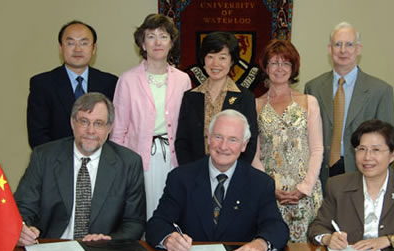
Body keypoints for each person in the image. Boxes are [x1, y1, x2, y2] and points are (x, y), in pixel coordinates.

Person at [147, 110, 289, 251]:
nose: (223, 146)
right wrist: (169, 238)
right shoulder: (181, 178)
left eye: (233, 140)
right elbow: (157, 224)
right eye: (218, 137)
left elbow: (277, 227)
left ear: (244, 145)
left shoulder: (261, 183)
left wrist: (261, 244)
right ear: (208, 138)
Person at [16, 92, 146, 246]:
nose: (90, 131)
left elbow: (135, 223)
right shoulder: (44, 157)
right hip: (50, 247)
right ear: (72, 123)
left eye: (98, 123)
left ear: (109, 127)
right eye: (84, 121)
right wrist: (23, 229)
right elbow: (23, 207)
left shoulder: (129, 163)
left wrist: (110, 240)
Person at [110, 14, 191, 220]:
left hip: (173, 158)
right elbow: (118, 129)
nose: (157, 42)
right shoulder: (127, 79)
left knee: (173, 210)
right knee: (141, 212)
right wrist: (118, 165)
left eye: (163, 36)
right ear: (142, 44)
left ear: (171, 43)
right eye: (151, 36)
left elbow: (187, 124)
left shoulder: (183, 80)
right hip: (139, 158)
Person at [304, 22, 394, 191]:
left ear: (358, 49)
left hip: (362, 172)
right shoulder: (313, 87)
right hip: (322, 172)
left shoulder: (380, 91)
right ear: (330, 49)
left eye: (349, 44)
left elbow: (387, 143)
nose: (343, 50)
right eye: (338, 44)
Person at [308, 119, 394, 251]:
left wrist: (390, 239)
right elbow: (317, 227)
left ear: (392, 155)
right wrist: (328, 238)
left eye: (376, 150)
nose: (367, 157)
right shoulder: (338, 185)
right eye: (362, 149)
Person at [252, 40, 323, 242]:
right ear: (266, 67)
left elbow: (317, 149)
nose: (280, 69)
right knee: (271, 248)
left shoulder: (309, 102)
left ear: (293, 68)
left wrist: (304, 187)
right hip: (270, 191)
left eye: (285, 63)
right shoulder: (255, 105)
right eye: (274, 63)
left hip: (304, 190)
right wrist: (269, 188)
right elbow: (254, 154)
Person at [27, 20, 118, 149]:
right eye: (70, 43)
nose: (77, 49)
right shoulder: (42, 84)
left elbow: (115, 130)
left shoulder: (110, 82)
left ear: (93, 49)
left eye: (84, 43)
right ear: (60, 47)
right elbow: (38, 135)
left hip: (101, 161)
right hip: (57, 163)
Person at [175, 31, 258, 165]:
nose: (215, 64)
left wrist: (234, 174)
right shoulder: (190, 96)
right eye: (210, 57)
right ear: (203, 59)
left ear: (232, 61)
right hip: (195, 174)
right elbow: (182, 141)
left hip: (232, 175)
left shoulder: (245, 97)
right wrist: (190, 173)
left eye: (222, 58)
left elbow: (250, 141)